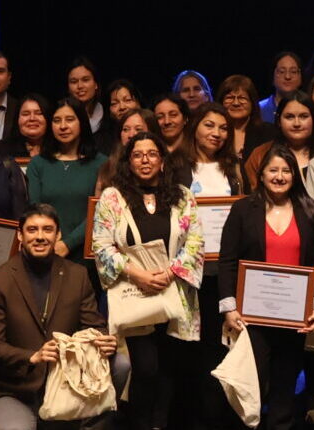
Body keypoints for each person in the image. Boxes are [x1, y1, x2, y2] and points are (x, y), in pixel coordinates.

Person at [91, 134, 217, 429]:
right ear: (129, 161)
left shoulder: (183, 195)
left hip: (174, 293)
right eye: (138, 155)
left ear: (162, 160)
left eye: (152, 154)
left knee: (170, 371)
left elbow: (196, 241)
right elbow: (101, 246)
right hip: (135, 293)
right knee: (145, 369)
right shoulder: (112, 197)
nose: (145, 160)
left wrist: (170, 273)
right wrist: (139, 275)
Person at [214, 150, 314, 430]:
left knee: (285, 387)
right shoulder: (243, 209)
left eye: (286, 171)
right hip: (251, 316)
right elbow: (227, 259)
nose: (280, 176)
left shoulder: (311, 211)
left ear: (295, 175)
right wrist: (229, 308)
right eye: (273, 170)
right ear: (262, 174)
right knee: (249, 385)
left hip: (293, 318)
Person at [0, 203, 115, 430]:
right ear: (20, 235)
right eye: (32, 230)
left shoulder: (77, 276)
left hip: (69, 383)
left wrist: (103, 339)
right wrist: (33, 356)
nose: (40, 237)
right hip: (16, 389)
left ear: (58, 234)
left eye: (47, 230)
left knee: (122, 364)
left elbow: (95, 326)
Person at [29, 101, 107, 257]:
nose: (63, 126)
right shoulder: (38, 163)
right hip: (47, 250)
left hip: (86, 251)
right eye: (57, 121)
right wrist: (52, 244)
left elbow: (101, 212)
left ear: (82, 123)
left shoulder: (101, 163)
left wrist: (68, 243)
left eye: (70, 119)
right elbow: (36, 210)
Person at [179, 104, 247, 196]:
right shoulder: (176, 164)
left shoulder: (235, 165)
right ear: (194, 127)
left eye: (223, 128)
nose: (216, 134)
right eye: (209, 125)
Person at [258, 51, 306, 123]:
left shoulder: (308, 108)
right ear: (272, 76)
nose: (287, 77)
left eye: (293, 72)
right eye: (281, 71)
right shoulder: (259, 109)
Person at [66, 57, 108, 131]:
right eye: (74, 81)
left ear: (96, 84)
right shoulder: (59, 116)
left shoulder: (108, 115)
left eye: (85, 80)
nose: (80, 86)